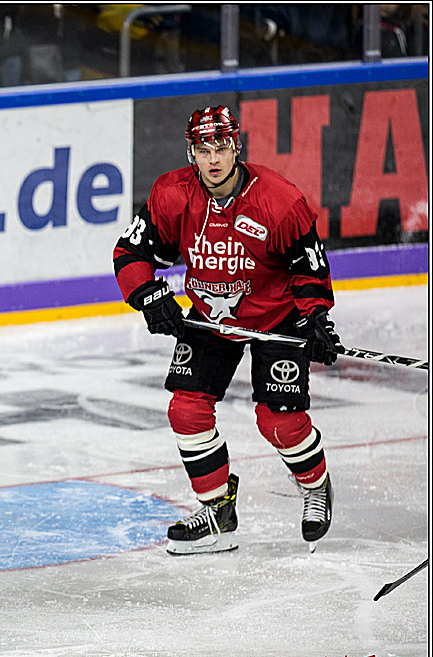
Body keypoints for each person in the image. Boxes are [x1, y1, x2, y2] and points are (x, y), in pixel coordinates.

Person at [112, 105, 340, 555]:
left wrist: (315, 317)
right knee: (187, 410)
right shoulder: (171, 194)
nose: (213, 158)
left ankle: (315, 486)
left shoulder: (279, 200)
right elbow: (130, 253)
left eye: (221, 147)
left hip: (276, 318)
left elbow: (309, 268)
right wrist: (150, 297)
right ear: (191, 152)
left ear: (237, 147)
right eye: (203, 149)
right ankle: (217, 509)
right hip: (209, 316)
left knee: (279, 421)